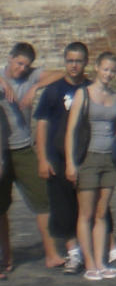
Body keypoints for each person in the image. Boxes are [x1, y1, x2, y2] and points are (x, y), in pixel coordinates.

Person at [0, 42, 65, 270]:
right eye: (18, 64)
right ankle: (6, 259)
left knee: (43, 200)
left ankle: (52, 254)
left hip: (24, 148)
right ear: (10, 59)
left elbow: (62, 74)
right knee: (1, 207)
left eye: (26, 66)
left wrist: (35, 87)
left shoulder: (30, 76)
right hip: (1, 151)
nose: (21, 69)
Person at [65, 51, 116, 281]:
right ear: (98, 68)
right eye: (105, 69)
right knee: (86, 213)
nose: (108, 74)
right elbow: (71, 130)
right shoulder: (84, 94)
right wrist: (71, 162)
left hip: (109, 158)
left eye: (112, 70)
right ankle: (89, 262)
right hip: (88, 157)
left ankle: (101, 261)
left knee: (102, 213)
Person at [34, 41, 90, 273]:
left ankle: (93, 249)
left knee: (87, 206)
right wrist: (42, 158)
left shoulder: (90, 87)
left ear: (85, 62)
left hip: (85, 154)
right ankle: (73, 252)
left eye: (78, 61)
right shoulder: (54, 90)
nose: (73, 65)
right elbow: (42, 124)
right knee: (63, 207)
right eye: (70, 61)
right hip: (57, 155)